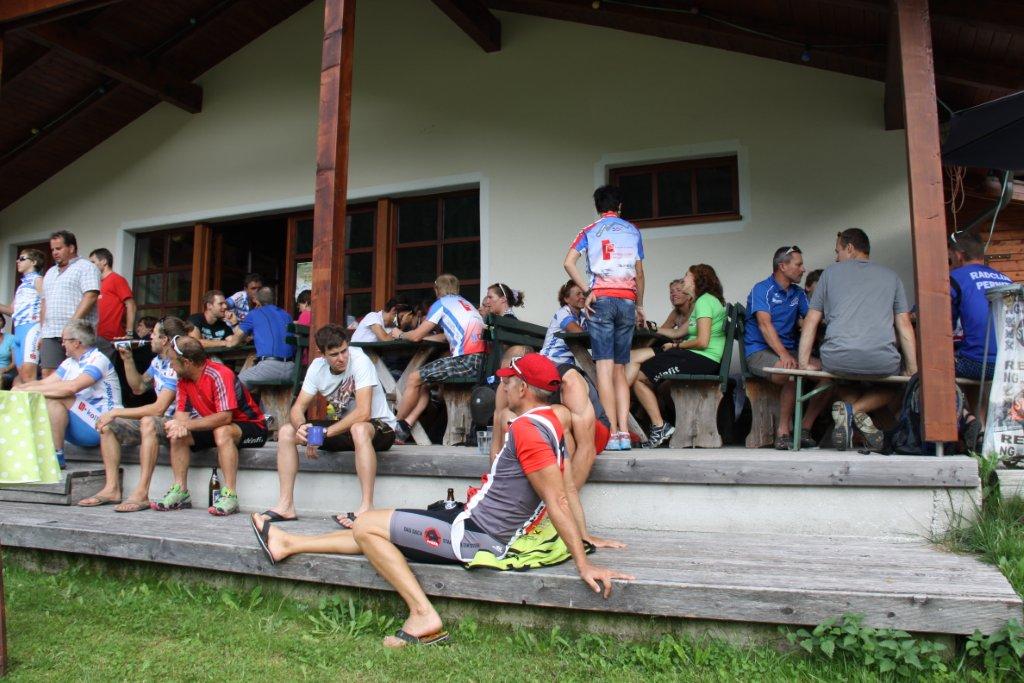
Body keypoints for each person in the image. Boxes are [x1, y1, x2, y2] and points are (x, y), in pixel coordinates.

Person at [251, 352, 633, 648]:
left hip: (475, 537)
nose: (503, 386)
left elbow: (557, 499)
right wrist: (584, 539)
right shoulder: (550, 420)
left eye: (508, 381)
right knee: (379, 527)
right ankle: (289, 543)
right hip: (472, 521)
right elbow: (561, 491)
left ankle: (423, 615)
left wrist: (583, 563)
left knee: (366, 524)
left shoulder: (529, 432)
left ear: (523, 389)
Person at [257, 324, 396, 527]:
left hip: (379, 427)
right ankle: (286, 506)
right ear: (322, 355)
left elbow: (363, 413)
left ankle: (367, 507)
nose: (342, 358)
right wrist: (303, 428)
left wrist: (324, 434)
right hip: (343, 429)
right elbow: (297, 409)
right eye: (334, 354)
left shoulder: (360, 360)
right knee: (287, 431)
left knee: (358, 428)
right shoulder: (317, 367)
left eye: (344, 351)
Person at [798, 228, 918, 451]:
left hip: (837, 359)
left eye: (838, 251)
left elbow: (811, 321)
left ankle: (851, 410)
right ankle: (858, 411)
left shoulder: (829, 274)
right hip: (882, 362)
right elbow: (904, 325)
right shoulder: (891, 277)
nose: (836, 258)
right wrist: (912, 369)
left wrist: (803, 363)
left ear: (850, 248)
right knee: (894, 385)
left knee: (840, 380)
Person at [564, 185, 645, 451]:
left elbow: (568, 262)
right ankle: (624, 432)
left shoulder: (589, 230)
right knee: (620, 368)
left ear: (598, 207)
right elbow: (639, 273)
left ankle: (611, 433)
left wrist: (588, 291)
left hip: (601, 300)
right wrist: (639, 305)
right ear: (619, 206)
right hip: (627, 301)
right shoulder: (633, 231)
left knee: (604, 369)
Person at [83, 317, 189, 512]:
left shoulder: (176, 365)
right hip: (161, 421)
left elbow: (159, 409)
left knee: (148, 421)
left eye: (154, 334)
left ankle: (141, 493)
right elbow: (139, 387)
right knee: (109, 425)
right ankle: (112, 488)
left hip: (179, 424)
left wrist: (116, 411)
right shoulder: (158, 361)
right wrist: (128, 360)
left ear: (165, 340)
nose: (150, 337)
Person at [155, 335, 267, 515]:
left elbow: (224, 417)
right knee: (177, 434)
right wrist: (178, 426)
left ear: (187, 362)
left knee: (222, 431)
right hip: (217, 426)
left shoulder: (219, 374)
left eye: (173, 361)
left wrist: (186, 424)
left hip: (252, 426)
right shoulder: (184, 379)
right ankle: (180, 491)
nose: (171, 366)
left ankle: (230, 494)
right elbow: (181, 417)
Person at [628, 265, 727, 447]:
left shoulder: (705, 302)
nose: (683, 280)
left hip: (701, 359)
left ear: (697, 280)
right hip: (695, 356)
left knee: (639, 377)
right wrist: (653, 328)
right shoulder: (704, 301)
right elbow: (678, 332)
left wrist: (676, 346)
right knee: (634, 360)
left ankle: (656, 425)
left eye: (686, 276)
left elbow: (702, 341)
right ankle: (625, 411)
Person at [744, 246, 830, 450]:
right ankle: (783, 433)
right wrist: (784, 355)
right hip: (759, 352)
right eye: (798, 265)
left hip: (789, 353)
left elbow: (813, 320)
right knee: (792, 372)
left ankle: (804, 429)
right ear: (782, 266)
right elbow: (765, 325)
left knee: (830, 374)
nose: (803, 269)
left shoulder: (798, 293)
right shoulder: (762, 289)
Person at [14, 320, 122, 469]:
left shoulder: (98, 360)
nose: (62, 344)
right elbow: (45, 384)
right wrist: (18, 388)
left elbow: (71, 388)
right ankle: (43, 452)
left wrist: (26, 391)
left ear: (76, 343)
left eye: (63, 340)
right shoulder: (70, 362)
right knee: (49, 397)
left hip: (104, 424)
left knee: (61, 396)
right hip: (84, 423)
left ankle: (56, 455)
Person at [392, 274, 485, 444]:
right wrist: (423, 337)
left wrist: (400, 334)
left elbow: (415, 336)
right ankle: (405, 427)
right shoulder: (466, 304)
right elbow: (444, 337)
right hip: (479, 361)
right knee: (424, 383)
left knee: (414, 378)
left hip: (464, 361)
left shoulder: (441, 304)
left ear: (437, 290)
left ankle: (393, 426)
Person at [949, 233, 1013, 381]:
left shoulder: (954, 278)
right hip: (1010, 364)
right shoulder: (1006, 280)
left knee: (932, 366)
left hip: (977, 364)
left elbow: (942, 325)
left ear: (959, 255)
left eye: (950, 256)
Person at [39, 230, 101, 377]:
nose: (54, 253)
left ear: (71, 248)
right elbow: (44, 303)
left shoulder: (86, 267)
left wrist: (70, 326)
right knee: (49, 374)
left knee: (76, 374)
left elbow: (91, 296)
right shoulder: (50, 272)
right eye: (52, 249)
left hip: (77, 333)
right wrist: (42, 332)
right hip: (50, 332)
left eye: (58, 248)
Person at [0, 248, 45, 385]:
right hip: (18, 329)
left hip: (31, 327)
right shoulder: (22, 285)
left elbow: (46, 303)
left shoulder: (38, 279)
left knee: (28, 375)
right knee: (21, 375)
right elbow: (11, 310)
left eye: (22, 258)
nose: (17, 261)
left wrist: (44, 331)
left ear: (34, 262)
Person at [237, 286, 295, 388]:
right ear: (274, 299)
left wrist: (233, 324)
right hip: (292, 369)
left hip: (269, 368)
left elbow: (234, 340)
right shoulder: (287, 315)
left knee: (235, 384)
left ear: (257, 301)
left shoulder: (254, 314)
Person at [88, 248, 136, 342]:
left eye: (93, 262)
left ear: (104, 262)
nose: (90, 267)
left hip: (112, 338)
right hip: (96, 337)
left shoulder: (116, 279)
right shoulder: (97, 283)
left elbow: (131, 305)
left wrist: (129, 333)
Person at [539, 280, 587, 366]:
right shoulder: (562, 313)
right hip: (551, 359)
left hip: (568, 362)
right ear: (566, 299)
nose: (583, 296)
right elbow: (579, 333)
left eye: (584, 293)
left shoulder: (582, 316)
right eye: (578, 294)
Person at [0, 316, 15, 389]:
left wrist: (5, 369)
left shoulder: (11, 338)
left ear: (3, 323)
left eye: (0, 320)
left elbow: (14, 362)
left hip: (5, 371)